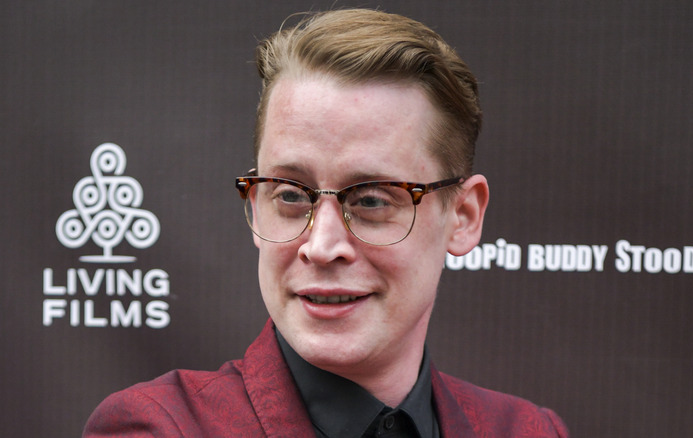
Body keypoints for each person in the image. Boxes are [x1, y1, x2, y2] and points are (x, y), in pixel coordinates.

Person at [84, 8, 568, 437]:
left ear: (462, 217)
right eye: (291, 195)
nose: (322, 245)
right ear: (255, 208)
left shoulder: (529, 430)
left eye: (374, 200)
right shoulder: (161, 427)